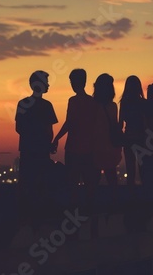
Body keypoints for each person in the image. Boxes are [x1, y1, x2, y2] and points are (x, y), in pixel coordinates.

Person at [15, 70, 58, 221]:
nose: (48, 85)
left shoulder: (22, 104)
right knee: (41, 183)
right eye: (46, 82)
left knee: (28, 183)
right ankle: (41, 215)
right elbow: (49, 130)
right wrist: (47, 143)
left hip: (28, 150)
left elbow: (19, 128)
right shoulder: (47, 106)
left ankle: (26, 215)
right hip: (41, 151)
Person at [52, 69, 97, 206]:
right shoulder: (92, 102)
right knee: (89, 182)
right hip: (89, 148)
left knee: (72, 182)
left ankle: (74, 210)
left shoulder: (73, 101)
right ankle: (89, 209)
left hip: (73, 148)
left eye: (72, 81)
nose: (71, 84)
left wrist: (57, 138)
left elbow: (69, 123)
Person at [92, 73, 122, 186]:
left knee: (94, 179)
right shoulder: (113, 106)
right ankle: (115, 202)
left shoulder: (92, 105)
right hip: (110, 146)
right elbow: (115, 124)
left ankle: (92, 202)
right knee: (112, 177)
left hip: (96, 146)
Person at [119, 75, 146, 186]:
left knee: (130, 169)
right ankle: (145, 195)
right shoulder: (143, 103)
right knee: (143, 169)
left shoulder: (124, 103)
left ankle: (131, 195)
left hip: (128, 138)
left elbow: (120, 123)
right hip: (142, 139)